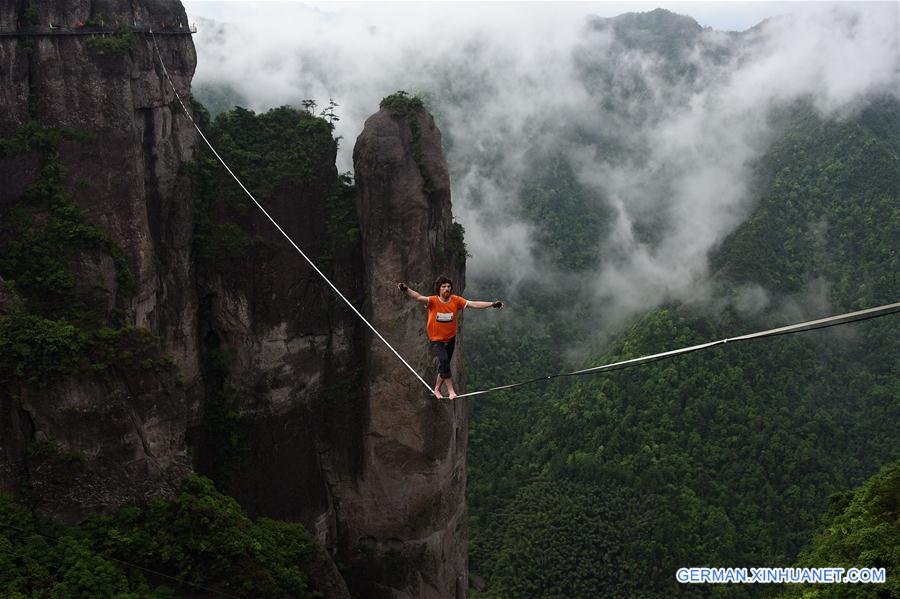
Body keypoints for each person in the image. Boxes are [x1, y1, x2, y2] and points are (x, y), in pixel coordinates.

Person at [397, 275, 503, 400]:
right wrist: (406, 289)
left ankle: (436, 389)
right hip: (436, 340)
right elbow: (418, 297)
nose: (447, 288)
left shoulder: (456, 301)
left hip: (450, 338)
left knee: (444, 366)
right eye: (444, 286)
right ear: (439, 289)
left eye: (448, 286)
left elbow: (473, 304)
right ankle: (450, 390)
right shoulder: (433, 301)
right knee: (444, 360)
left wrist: (492, 304)